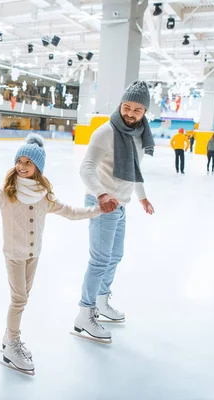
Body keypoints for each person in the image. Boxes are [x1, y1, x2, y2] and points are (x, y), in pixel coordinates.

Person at [0, 134, 101, 374]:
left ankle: (9, 338)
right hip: (14, 255)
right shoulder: (7, 193)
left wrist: (98, 210)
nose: (22, 166)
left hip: (33, 254)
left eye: (28, 162)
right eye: (20, 161)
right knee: (19, 300)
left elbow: (71, 211)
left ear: (38, 167)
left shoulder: (44, 196)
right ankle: (12, 344)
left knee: (23, 297)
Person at [74, 81, 155, 343]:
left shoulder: (141, 135)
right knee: (99, 259)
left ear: (145, 113)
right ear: (120, 104)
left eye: (137, 110)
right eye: (127, 107)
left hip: (120, 204)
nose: (130, 114)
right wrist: (101, 193)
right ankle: (85, 314)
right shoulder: (105, 132)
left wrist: (141, 197)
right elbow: (86, 168)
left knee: (115, 256)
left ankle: (101, 301)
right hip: (102, 203)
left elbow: (135, 170)